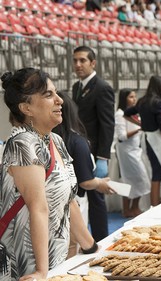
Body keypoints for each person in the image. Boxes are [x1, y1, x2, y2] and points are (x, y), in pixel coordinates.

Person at [0, 68, 97, 280]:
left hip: (56, 261)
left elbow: (69, 203)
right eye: (48, 95)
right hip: (27, 265)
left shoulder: (55, 140)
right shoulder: (22, 143)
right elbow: (38, 207)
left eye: (56, 93)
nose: (59, 100)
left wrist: (92, 248)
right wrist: (41, 272)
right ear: (26, 108)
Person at [53, 91, 116, 258]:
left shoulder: (49, 139)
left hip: (51, 206)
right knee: (71, 246)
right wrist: (100, 183)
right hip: (74, 203)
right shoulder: (76, 141)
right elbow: (85, 181)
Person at [72, 45, 115, 242]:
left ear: (93, 63)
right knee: (80, 198)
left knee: (97, 199)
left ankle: (101, 242)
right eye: (75, 61)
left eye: (82, 60)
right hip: (79, 151)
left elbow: (107, 125)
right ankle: (82, 240)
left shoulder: (102, 87)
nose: (78, 65)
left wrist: (103, 158)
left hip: (96, 152)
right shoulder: (76, 87)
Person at [124, 76, 161, 207]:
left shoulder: (143, 101)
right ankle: (155, 203)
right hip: (156, 140)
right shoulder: (158, 102)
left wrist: (140, 124)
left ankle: (156, 201)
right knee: (158, 171)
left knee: (156, 170)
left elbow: (126, 113)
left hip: (147, 139)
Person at [115, 89, 150, 217]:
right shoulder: (120, 114)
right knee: (129, 179)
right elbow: (122, 136)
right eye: (131, 97)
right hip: (126, 151)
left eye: (135, 97)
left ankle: (134, 207)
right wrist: (140, 128)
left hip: (135, 150)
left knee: (140, 180)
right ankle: (127, 209)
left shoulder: (135, 113)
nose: (134, 99)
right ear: (124, 98)